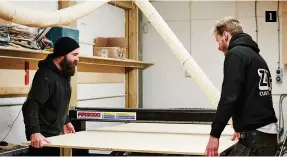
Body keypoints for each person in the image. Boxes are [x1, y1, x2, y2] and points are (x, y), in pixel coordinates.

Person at [205, 17, 278, 156]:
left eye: (218, 41)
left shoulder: (235, 54)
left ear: (226, 36)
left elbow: (229, 97)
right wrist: (242, 126)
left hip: (255, 138)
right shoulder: (257, 57)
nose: (218, 47)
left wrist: (215, 135)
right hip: (268, 137)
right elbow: (253, 95)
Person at [22, 37, 80, 156]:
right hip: (42, 138)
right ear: (62, 55)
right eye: (74, 54)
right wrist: (34, 132)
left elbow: (60, 101)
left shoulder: (64, 73)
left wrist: (66, 121)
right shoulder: (45, 75)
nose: (77, 58)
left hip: (55, 135)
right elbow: (31, 105)